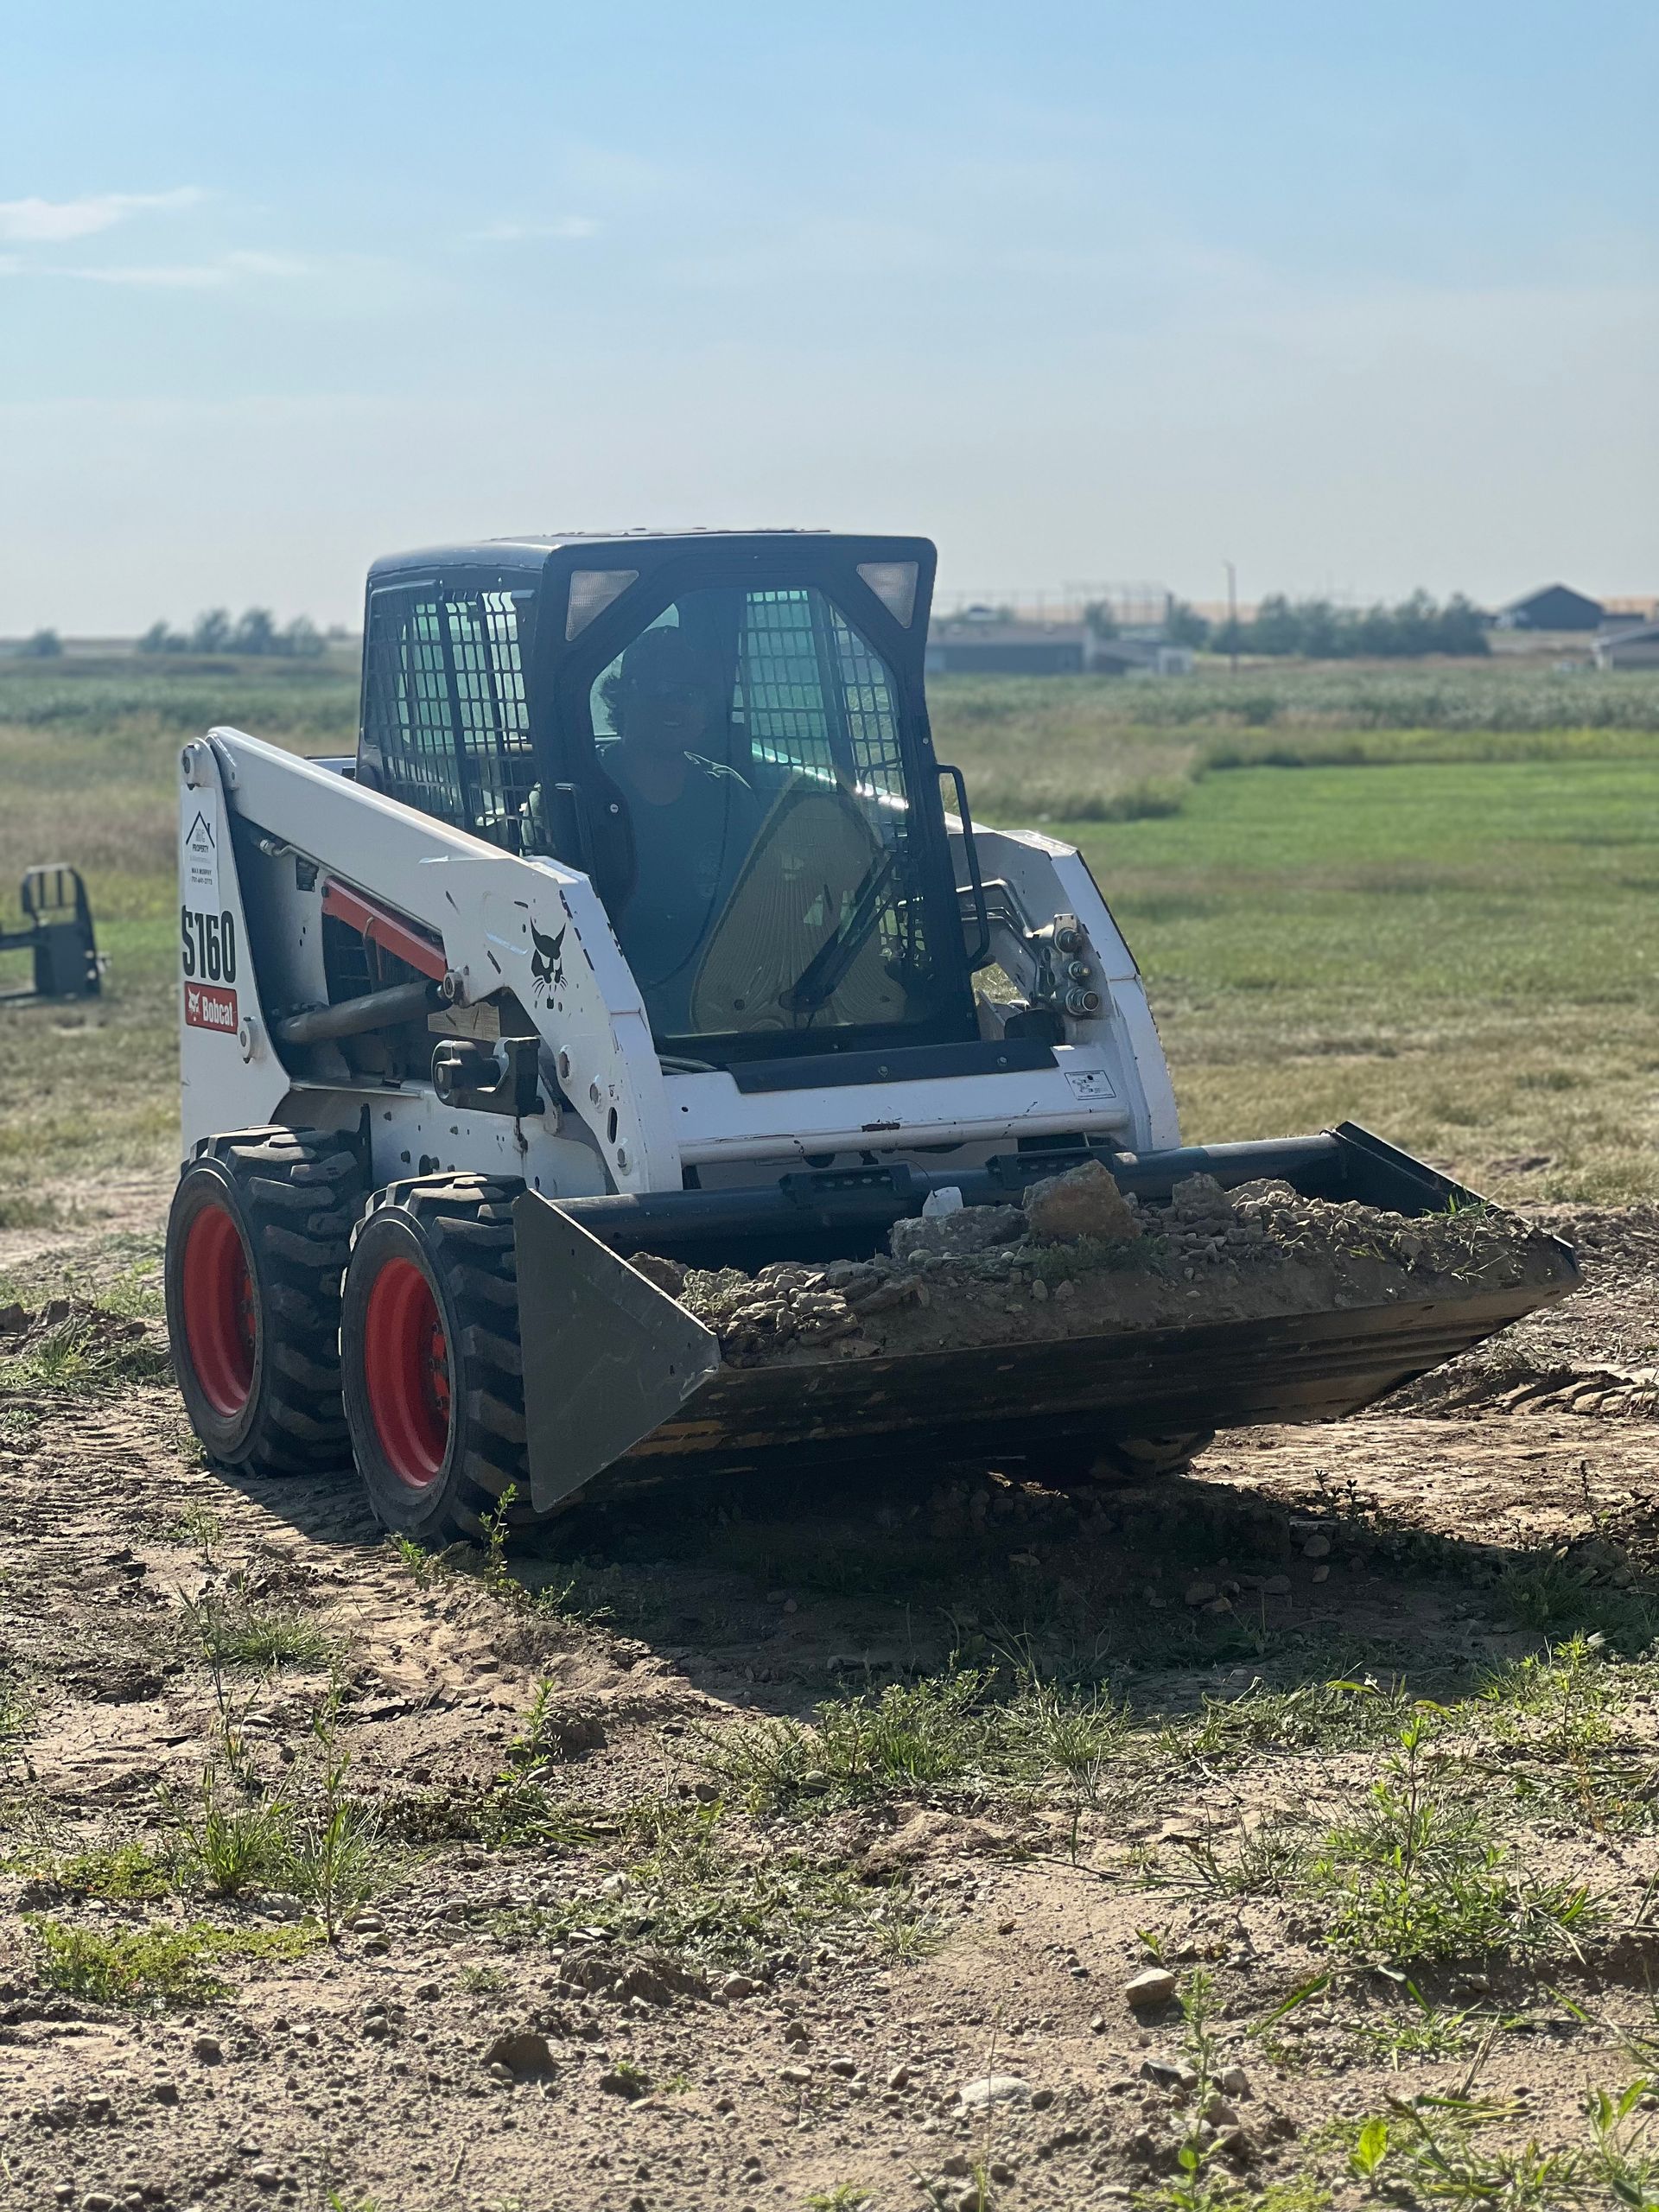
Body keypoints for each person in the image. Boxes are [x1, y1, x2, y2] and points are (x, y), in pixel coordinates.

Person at [593, 626, 763, 1032]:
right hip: (611, 1006)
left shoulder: (728, 795)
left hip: (723, 999)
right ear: (625, 696)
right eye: (658, 689)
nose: (673, 705)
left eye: (688, 694)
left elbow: (764, 900)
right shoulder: (580, 791)